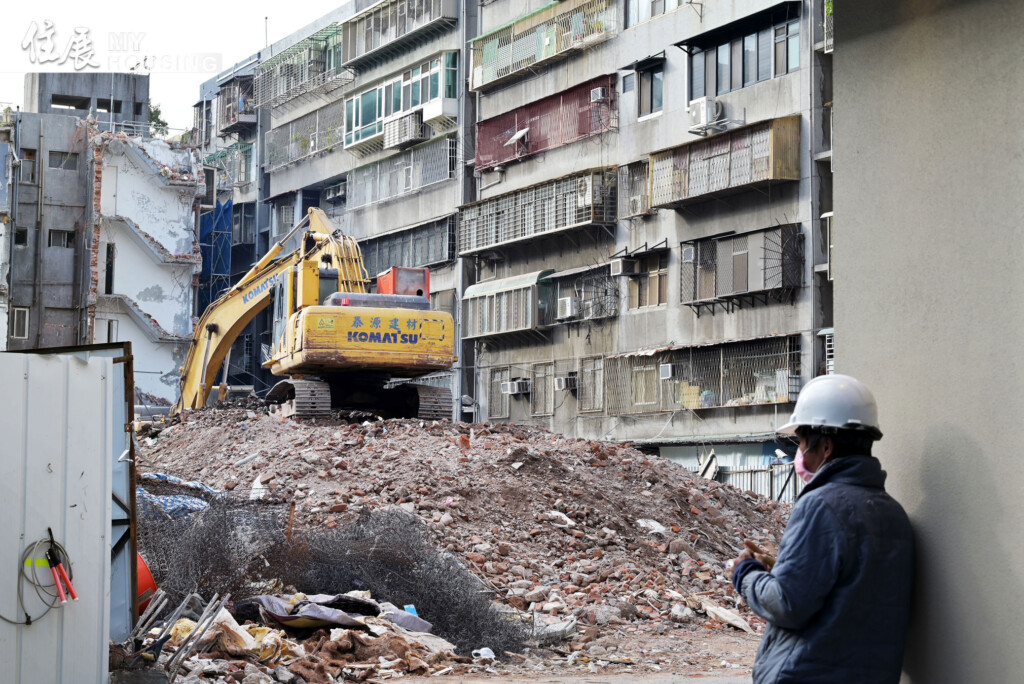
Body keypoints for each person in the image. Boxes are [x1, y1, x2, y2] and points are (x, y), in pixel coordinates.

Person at [729, 374, 914, 683]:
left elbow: (787, 604)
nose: (800, 454)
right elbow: (850, 590)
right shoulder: (893, 513)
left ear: (826, 446)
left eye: (802, 442)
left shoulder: (821, 505)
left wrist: (745, 573)